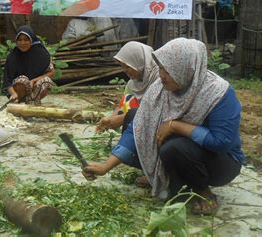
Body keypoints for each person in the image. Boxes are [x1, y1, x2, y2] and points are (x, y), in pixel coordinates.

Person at [84, 38, 244, 215]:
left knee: (175, 147)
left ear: (186, 68)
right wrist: (105, 166)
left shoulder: (218, 93)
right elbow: (137, 126)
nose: (161, 75)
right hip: (182, 154)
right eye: (160, 67)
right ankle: (163, 178)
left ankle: (202, 190)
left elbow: (222, 142)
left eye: (167, 69)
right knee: (134, 116)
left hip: (221, 163)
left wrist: (176, 126)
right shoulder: (159, 89)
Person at [96, 41, 159, 133]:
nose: (125, 71)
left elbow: (154, 111)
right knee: (128, 99)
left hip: (156, 127)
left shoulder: (160, 78)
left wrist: (122, 119)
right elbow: (121, 106)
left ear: (139, 61)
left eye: (128, 66)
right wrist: (110, 120)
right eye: (122, 66)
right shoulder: (133, 83)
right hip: (137, 126)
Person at [3, 26, 55, 105]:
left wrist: (34, 80)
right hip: (17, 92)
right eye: (20, 40)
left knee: (46, 81)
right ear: (16, 41)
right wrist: (13, 93)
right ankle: (19, 101)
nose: (22, 43)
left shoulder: (41, 54)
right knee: (22, 80)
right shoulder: (12, 56)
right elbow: (7, 80)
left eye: (26, 40)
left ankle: (33, 101)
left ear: (31, 40)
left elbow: (51, 72)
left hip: (34, 88)